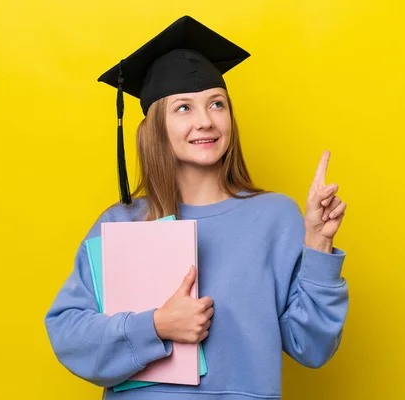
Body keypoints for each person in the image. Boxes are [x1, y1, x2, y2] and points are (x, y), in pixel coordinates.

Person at [45, 15, 349, 400]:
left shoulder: (275, 218)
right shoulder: (121, 224)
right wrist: (155, 326)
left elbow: (312, 348)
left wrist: (318, 244)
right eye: (184, 108)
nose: (205, 121)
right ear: (155, 127)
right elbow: (69, 334)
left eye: (216, 104)